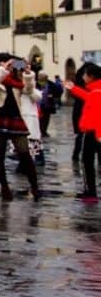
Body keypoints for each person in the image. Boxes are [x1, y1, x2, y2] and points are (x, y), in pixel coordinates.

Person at [0, 54, 40, 202]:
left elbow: (29, 91)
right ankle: (4, 187)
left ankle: (35, 186)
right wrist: (2, 71)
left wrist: (28, 75)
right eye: (5, 63)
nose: (9, 66)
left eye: (10, 64)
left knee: (24, 153)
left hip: (15, 117)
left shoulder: (16, 78)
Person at [65, 63, 101, 202]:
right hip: (95, 132)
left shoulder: (96, 92)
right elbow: (88, 97)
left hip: (92, 132)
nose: (83, 77)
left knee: (86, 162)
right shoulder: (96, 90)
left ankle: (90, 193)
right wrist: (74, 89)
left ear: (91, 77)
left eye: (85, 75)